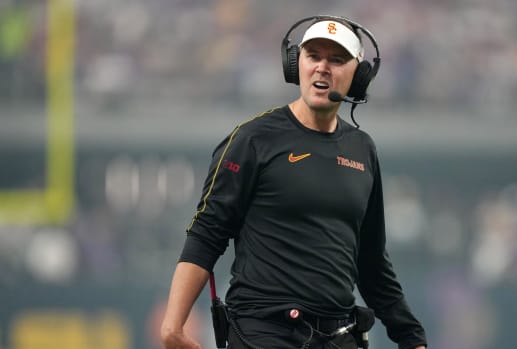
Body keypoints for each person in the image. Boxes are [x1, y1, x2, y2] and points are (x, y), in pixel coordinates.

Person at [160, 15, 428, 349]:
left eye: (337, 59)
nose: (322, 67)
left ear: (359, 76)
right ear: (295, 64)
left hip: (339, 336)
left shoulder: (363, 149)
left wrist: (412, 338)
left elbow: (371, 260)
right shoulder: (253, 139)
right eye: (313, 56)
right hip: (263, 334)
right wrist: (173, 328)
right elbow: (207, 232)